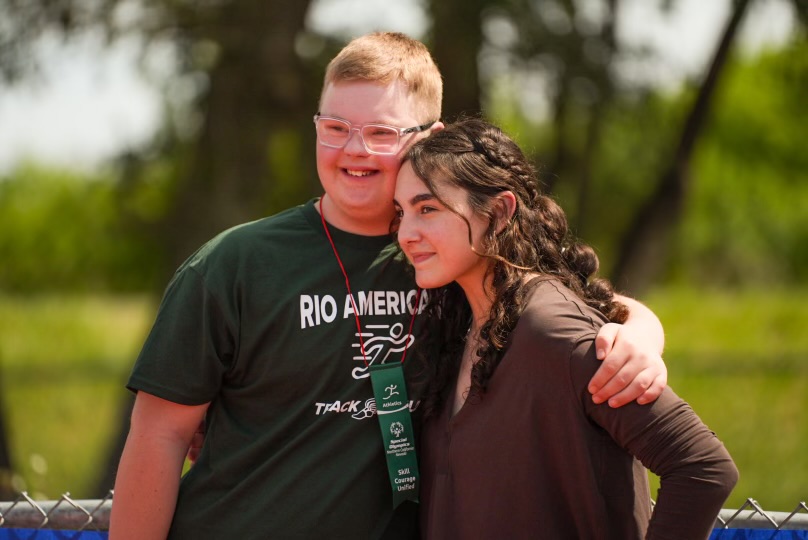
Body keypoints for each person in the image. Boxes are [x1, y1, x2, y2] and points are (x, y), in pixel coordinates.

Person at [110, 33, 669, 539]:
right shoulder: (233, 264)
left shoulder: (453, 256)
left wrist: (643, 333)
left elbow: (575, 302)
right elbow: (158, 438)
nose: (355, 150)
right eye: (335, 129)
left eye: (381, 133)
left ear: (432, 138)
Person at [393, 117, 738, 540]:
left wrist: (644, 328)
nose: (406, 234)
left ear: (499, 212)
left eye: (427, 208)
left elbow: (702, 466)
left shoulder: (550, 329)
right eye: (402, 212)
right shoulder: (458, 323)